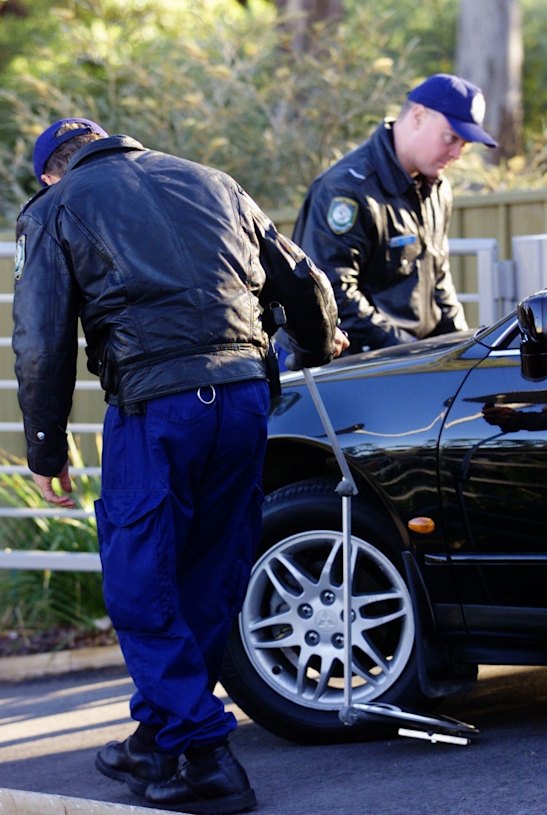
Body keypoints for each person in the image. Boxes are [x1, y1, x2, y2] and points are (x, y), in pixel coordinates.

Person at [12, 118, 348, 815]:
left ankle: (203, 755)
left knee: (140, 579)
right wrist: (319, 343)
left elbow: (42, 340)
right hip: (246, 398)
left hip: (158, 405)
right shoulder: (213, 181)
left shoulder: (56, 207)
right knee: (209, 570)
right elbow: (306, 280)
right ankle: (158, 735)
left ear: (52, 171)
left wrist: (46, 448)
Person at [289, 73, 498, 356]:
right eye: (451, 138)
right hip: (358, 367)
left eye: (464, 144)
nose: (457, 153)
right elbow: (332, 293)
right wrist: (408, 352)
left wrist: (463, 350)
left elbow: (438, 280)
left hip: (412, 361)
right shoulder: (346, 191)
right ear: (418, 116)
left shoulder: (436, 188)